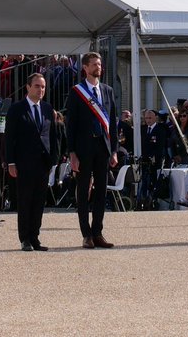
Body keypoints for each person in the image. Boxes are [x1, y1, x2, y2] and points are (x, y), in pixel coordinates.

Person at [66, 50, 119, 249]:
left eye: (100, 64)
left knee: (101, 192)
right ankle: (86, 234)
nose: (99, 67)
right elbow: (70, 124)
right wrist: (72, 152)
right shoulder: (76, 91)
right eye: (95, 64)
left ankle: (97, 232)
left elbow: (112, 124)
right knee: (83, 191)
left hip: (103, 148)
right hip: (83, 149)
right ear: (85, 68)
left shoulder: (107, 90)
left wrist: (114, 150)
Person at [5, 73, 60, 251]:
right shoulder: (16, 109)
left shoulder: (47, 108)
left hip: (43, 163)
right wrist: (10, 162)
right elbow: (9, 138)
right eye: (37, 86)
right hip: (23, 163)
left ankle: (35, 237)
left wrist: (54, 159)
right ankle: (25, 238)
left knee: (39, 201)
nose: (40, 90)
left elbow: (53, 136)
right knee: (25, 201)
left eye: (43, 87)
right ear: (28, 87)